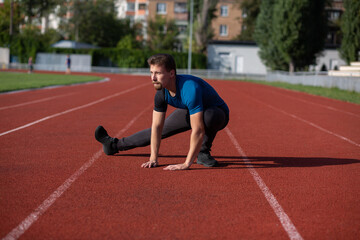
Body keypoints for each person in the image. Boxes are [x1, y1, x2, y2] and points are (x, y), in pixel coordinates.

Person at [95, 54, 229, 171]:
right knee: (162, 129)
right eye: (151, 72)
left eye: (158, 73)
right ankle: (113, 145)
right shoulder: (161, 93)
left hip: (216, 112)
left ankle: (203, 152)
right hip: (191, 110)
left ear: (171, 73)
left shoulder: (190, 89)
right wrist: (153, 158)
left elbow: (198, 130)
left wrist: (186, 164)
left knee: (209, 117)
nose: (153, 78)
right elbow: (157, 127)